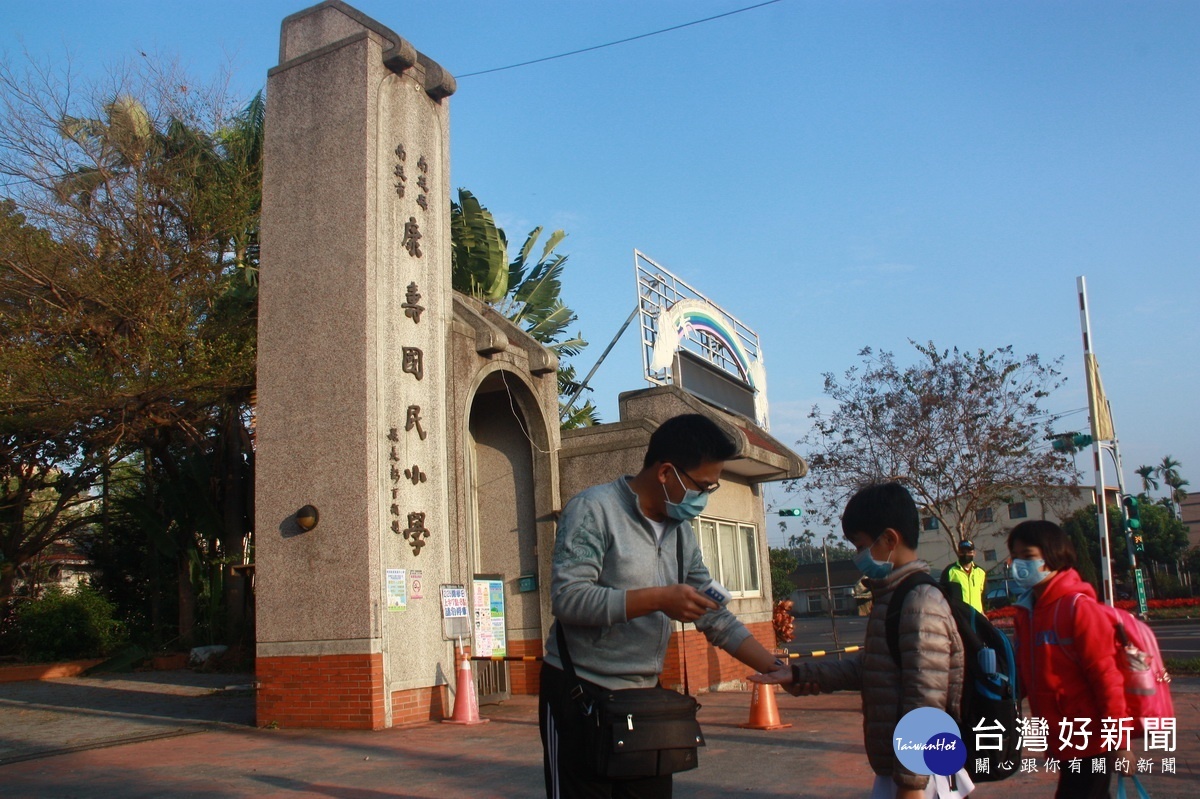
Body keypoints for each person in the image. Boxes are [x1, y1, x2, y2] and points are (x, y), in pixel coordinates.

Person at [539, 413, 784, 798]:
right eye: (703, 486)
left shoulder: (679, 532)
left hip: (643, 699)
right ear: (666, 473)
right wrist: (659, 598)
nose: (705, 497)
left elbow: (714, 614)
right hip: (580, 693)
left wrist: (775, 668)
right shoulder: (594, 510)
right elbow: (569, 599)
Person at [751, 482, 970, 799]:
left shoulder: (919, 601)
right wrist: (801, 674)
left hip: (922, 777)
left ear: (890, 540)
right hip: (901, 770)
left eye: (860, 545)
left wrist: (911, 783)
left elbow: (926, 698)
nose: (857, 556)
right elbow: (872, 668)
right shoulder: (893, 597)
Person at [1007, 520, 1130, 799]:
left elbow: (1107, 679)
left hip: (1091, 740)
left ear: (1052, 556)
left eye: (1028, 557)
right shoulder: (1027, 613)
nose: (1018, 564)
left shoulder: (1079, 609)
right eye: (1015, 557)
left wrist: (1119, 743)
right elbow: (1026, 674)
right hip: (1061, 737)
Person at [943, 540, 985, 613]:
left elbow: (981, 595)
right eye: (963, 552)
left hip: (976, 615)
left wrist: (982, 613)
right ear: (958, 552)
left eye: (969, 552)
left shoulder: (980, 572)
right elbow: (943, 595)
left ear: (974, 553)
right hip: (959, 615)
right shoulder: (950, 571)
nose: (966, 555)